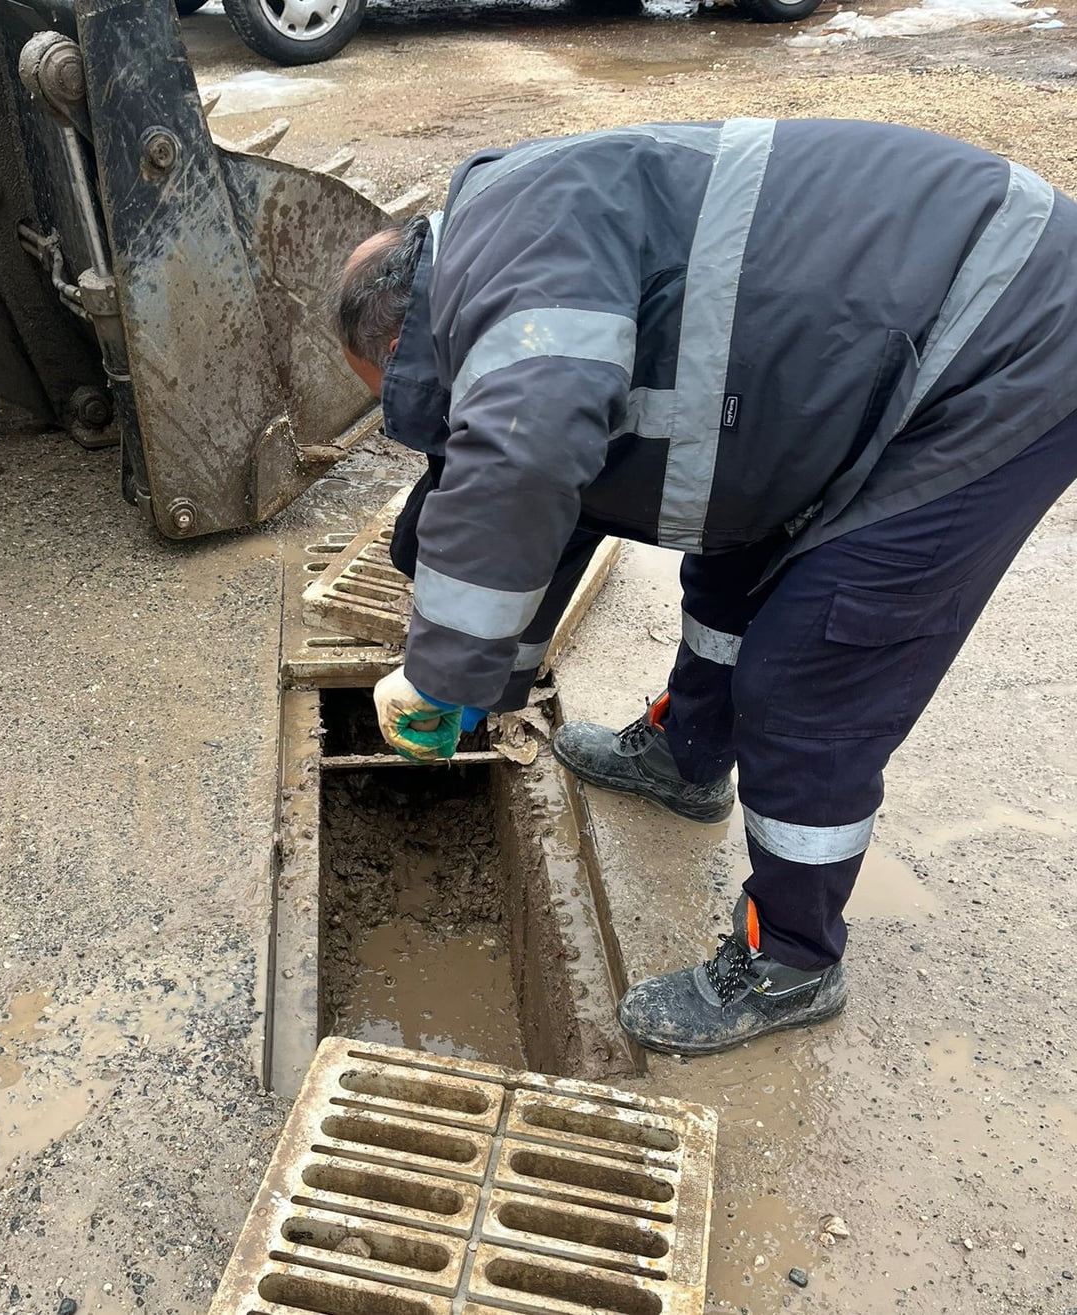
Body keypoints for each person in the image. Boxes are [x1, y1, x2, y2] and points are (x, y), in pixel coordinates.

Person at [333, 119, 1077, 1057]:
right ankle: (685, 758)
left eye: (408, 394)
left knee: (812, 672)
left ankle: (793, 960)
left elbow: (522, 462)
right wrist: (491, 680)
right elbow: (560, 502)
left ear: (404, 334)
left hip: (1002, 343)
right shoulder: (510, 252)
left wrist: (440, 674)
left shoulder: (522, 303)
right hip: (846, 367)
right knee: (731, 563)